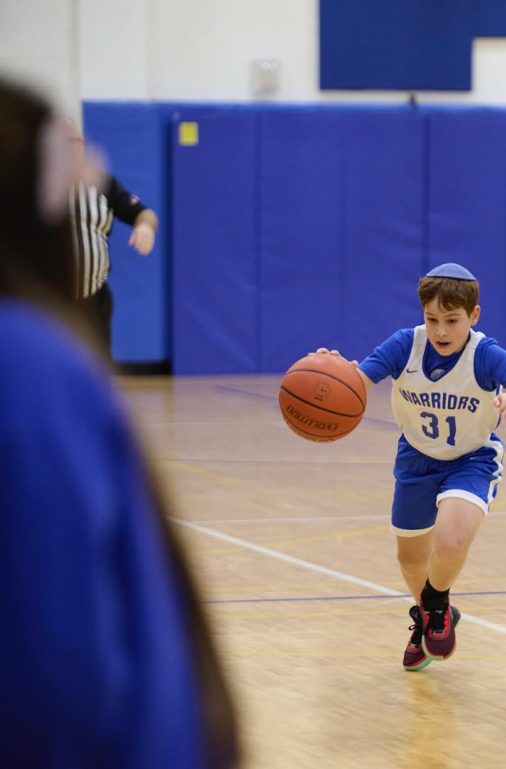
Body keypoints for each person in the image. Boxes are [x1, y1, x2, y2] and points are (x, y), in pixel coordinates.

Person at [0, 78, 238, 767]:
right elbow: (60, 650)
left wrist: (140, 228)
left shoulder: (45, 362)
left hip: (85, 304)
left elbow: (146, 212)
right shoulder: (30, 368)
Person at [330, 263, 506, 670]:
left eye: (451, 321)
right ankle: (430, 615)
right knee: (410, 559)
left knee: (451, 540)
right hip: (416, 458)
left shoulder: (486, 356)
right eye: (432, 319)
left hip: (472, 458)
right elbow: (356, 383)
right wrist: (333, 374)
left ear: (474, 316)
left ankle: (434, 602)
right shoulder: (405, 346)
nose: (440, 331)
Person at [63, 118, 158, 355]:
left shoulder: (101, 184)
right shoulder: (31, 184)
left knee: (96, 369)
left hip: (94, 299)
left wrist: (145, 227)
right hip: (47, 299)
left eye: (69, 142)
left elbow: (145, 213)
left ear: (81, 144)